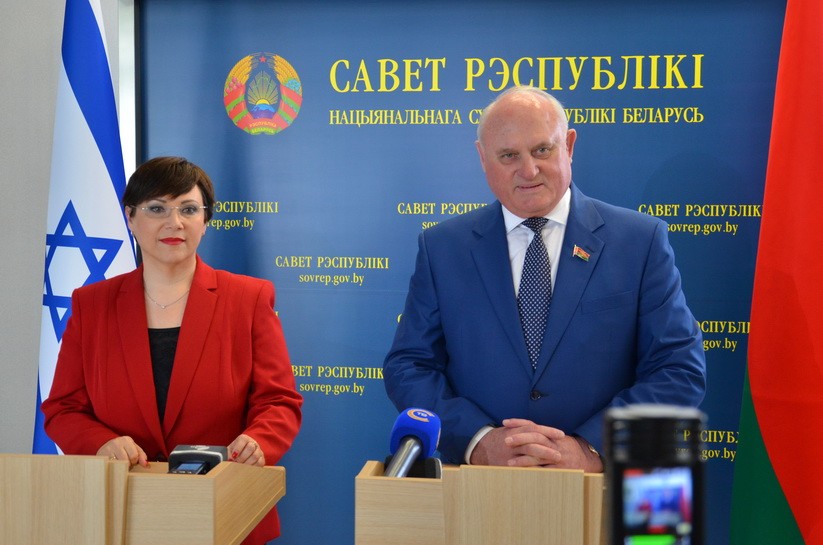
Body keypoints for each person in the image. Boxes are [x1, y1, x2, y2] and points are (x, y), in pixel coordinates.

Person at [383, 86, 706, 472]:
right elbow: (410, 365)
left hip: (608, 486)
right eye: (509, 155)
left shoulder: (640, 241)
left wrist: (590, 448)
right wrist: (477, 441)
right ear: (483, 158)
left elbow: (678, 369)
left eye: (542, 150)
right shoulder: (442, 248)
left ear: (568, 146)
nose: (528, 170)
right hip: (480, 487)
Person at [42, 156, 303, 544]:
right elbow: (63, 408)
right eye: (157, 208)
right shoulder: (92, 304)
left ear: (205, 220)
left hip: (226, 507)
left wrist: (259, 442)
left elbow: (279, 401)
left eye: (188, 209)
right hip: (121, 508)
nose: (174, 222)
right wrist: (101, 443)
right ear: (130, 217)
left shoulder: (248, 298)